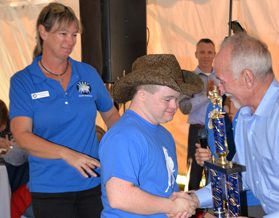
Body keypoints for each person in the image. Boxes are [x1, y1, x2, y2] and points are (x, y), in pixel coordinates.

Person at [9, 2, 120, 218]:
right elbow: (21, 135)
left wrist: (125, 151)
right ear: (43, 31)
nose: (70, 41)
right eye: (63, 34)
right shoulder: (24, 81)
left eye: (74, 35)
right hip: (50, 190)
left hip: (93, 183)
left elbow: (112, 116)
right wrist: (66, 154)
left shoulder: (87, 73)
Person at [195, 32, 279, 217]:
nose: (220, 89)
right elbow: (239, 174)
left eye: (222, 80)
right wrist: (195, 199)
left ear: (247, 77)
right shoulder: (245, 116)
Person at [99, 54, 203, 217]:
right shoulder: (124, 136)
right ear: (142, 95)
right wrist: (171, 206)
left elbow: (164, 190)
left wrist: (179, 201)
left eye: (176, 99)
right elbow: (119, 196)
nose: (174, 106)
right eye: (167, 99)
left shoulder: (164, 135)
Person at [179, 38, 216, 190]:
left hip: (217, 131)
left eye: (209, 52)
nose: (206, 56)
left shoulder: (221, 77)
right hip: (198, 130)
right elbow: (184, 107)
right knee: (194, 174)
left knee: (214, 172)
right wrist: (205, 97)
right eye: (202, 52)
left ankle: (213, 211)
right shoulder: (189, 80)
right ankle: (191, 211)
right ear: (196, 54)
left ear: (215, 54)